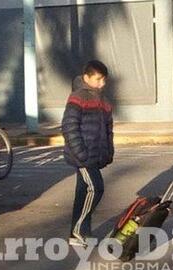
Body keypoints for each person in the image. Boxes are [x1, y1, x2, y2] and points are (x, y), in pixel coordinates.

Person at [62, 60, 114, 247]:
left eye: (104, 80)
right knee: (96, 188)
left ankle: (79, 234)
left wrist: (109, 150)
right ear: (86, 77)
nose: (102, 83)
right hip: (84, 156)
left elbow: (109, 129)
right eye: (98, 79)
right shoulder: (77, 97)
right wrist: (80, 153)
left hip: (96, 154)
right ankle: (78, 230)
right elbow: (69, 127)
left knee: (83, 191)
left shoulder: (104, 101)